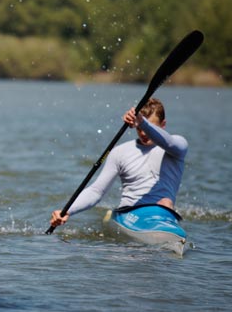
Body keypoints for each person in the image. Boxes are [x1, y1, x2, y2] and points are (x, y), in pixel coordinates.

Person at [50, 98, 188, 229]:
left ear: (163, 125)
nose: (143, 133)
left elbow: (168, 142)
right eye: (139, 128)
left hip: (163, 214)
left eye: (148, 127)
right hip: (129, 214)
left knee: (165, 202)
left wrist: (142, 122)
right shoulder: (120, 152)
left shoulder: (178, 146)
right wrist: (68, 211)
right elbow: (96, 191)